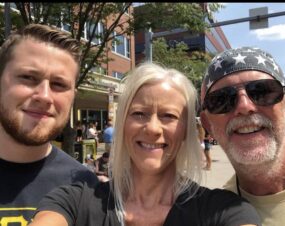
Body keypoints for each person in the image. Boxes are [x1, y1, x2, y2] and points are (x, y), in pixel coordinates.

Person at [29, 62, 261, 226]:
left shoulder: (224, 211)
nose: (152, 128)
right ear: (123, 123)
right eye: (139, 113)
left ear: (185, 131)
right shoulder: (73, 201)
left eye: (168, 116)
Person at [0, 24, 98, 224]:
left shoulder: (87, 188)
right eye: (28, 77)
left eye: (59, 85)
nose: (44, 96)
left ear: (72, 97)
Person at [200, 46, 285, 226]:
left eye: (262, 91)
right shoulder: (212, 216)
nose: (244, 106)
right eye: (222, 99)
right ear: (209, 125)